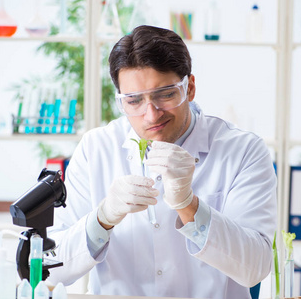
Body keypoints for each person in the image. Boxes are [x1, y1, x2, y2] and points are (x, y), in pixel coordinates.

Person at [47, 25, 277, 299]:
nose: (151, 115)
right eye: (134, 101)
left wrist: (189, 205)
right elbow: (51, 269)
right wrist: (103, 218)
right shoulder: (96, 148)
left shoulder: (243, 150)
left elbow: (255, 269)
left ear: (189, 87)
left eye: (165, 94)